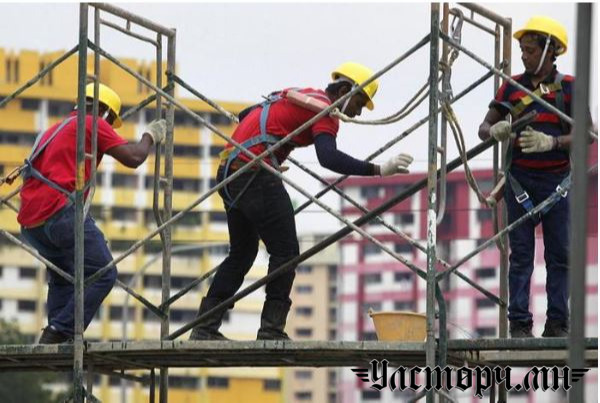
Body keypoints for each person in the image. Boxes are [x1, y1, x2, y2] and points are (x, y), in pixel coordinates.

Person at [190, 62, 414, 341]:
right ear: (345, 90)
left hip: (229, 172)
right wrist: (379, 170)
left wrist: (270, 147)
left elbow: (247, 114)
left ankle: (204, 328)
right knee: (285, 252)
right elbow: (328, 157)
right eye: (358, 102)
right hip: (254, 174)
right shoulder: (326, 111)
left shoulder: (301, 95)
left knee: (241, 254)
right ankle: (271, 330)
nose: (356, 112)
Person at [18, 83, 166, 344]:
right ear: (104, 111)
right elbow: (133, 158)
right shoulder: (91, 123)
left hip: (32, 223)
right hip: (59, 213)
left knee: (65, 278)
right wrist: (150, 137)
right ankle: (63, 330)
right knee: (104, 271)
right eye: (110, 120)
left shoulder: (52, 130)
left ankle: (54, 337)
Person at [478, 16, 589, 338]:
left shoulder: (569, 87)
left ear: (549, 51)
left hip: (558, 183)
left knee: (560, 256)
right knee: (522, 256)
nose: (524, 56)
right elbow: (484, 128)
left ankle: (557, 324)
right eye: (523, 50)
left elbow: (588, 134)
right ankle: (519, 324)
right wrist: (495, 130)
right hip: (521, 182)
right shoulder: (511, 87)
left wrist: (553, 142)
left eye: (529, 50)